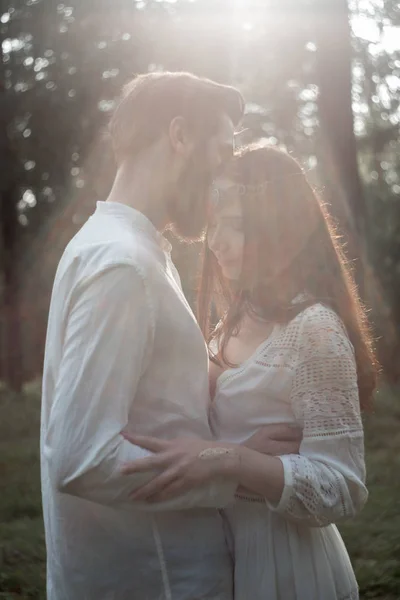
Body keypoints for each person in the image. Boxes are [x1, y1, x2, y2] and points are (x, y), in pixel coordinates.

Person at [41, 74, 301, 600]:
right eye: (222, 149)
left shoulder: (126, 250)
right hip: (157, 578)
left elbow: (156, 412)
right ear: (179, 136)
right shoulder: (122, 264)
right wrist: (229, 466)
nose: (225, 172)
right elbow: (80, 457)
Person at [121, 144, 379, 600]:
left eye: (235, 224)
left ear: (281, 226)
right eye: (214, 225)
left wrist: (235, 461)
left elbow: (342, 487)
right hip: (219, 551)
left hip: (285, 564)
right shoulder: (234, 319)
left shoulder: (314, 330)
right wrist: (234, 453)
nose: (216, 241)